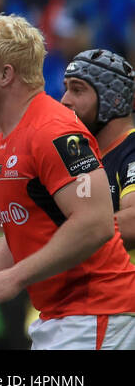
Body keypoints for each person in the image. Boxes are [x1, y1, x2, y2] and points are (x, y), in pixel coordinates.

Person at [0, 18, 135, 348]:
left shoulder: (54, 131)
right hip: (61, 317)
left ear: (6, 75)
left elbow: (95, 225)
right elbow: (27, 236)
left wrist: (15, 277)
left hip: (96, 311)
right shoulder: (2, 143)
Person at [61, 49, 135, 253]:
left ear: (115, 100)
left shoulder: (131, 147)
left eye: (77, 90)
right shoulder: (79, 156)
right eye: (65, 89)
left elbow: (133, 222)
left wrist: (61, 241)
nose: (64, 100)